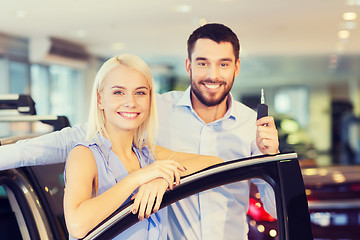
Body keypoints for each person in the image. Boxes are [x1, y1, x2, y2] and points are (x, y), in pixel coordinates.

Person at [0, 23, 279, 239]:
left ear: (237, 67)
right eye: (203, 62)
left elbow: (224, 170)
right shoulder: (151, 109)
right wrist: (146, 176)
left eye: (224, 63)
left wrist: (163, 177)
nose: (212, 74)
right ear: (189, 65)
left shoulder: (251, 126)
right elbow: (74, 140)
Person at [64, 54, 222, 239]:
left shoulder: (146, 153)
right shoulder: (85, 155)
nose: (131, 102)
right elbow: (77, 225)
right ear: (100, 100)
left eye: (140, 92)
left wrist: (162, 180)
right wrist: (138, 178)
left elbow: (215, 162)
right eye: (118, 92)